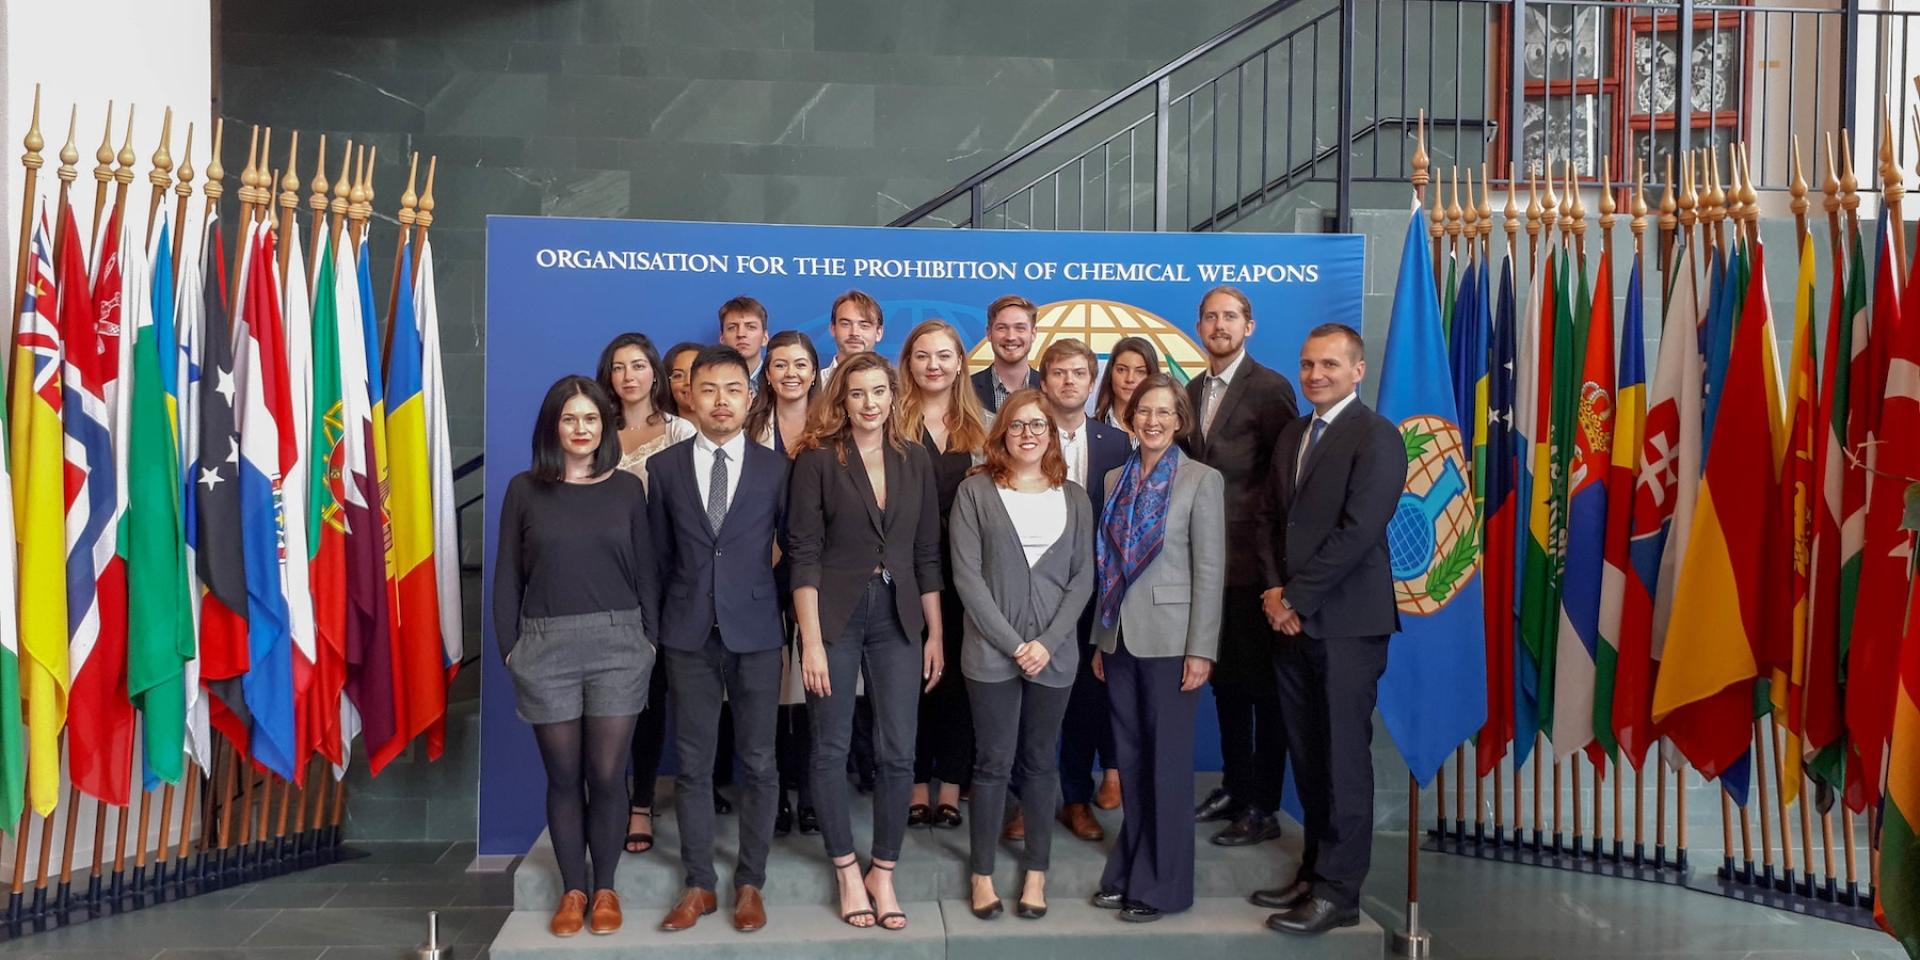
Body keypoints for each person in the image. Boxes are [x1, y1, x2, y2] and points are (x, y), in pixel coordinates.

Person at [493, 375, 659, 937]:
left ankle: (606, 887)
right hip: (544, 646)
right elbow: (505, 579)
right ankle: (573, 890)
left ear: (604, 426)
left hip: (620, 645)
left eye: (590, 419)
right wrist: (511, 651)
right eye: (570, 419)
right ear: (553, 427)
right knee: (564, 776)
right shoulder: (523, 489)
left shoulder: (627, 489)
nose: (581, 429)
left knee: (609, 774)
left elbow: (647, 572)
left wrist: (648, 642)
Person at [1253, 323, 1401, 936]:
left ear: (1357, 371)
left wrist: (1298, 599)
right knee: (1309, 754)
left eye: (1331, 365)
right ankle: (1314, 871)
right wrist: (1271, 591)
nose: (1316, 375)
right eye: (1309, 364)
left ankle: (1340, 893)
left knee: (1343, 759)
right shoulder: (1294, 431)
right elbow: (1267, 519)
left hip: (1345, 624)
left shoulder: (1378, 437)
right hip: (1289, 621)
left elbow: (1359, 530)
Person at [788, 351, 944, 931]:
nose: (870, 403)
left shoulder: (915, 459)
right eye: (858, 393)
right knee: (829, 747)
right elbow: (802, 555)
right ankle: (846, 868)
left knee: (898, 750)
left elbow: (927, 553)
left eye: (879, 391)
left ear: (893, 396)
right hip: (834, 617)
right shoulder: (817, 461)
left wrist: (936, 635)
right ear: (842, 399)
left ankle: (883, 869)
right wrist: (811, 641)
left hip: (900, 618)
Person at [649, 347, 788, 935]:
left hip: (755, 632)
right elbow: (656, 557)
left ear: (750, 397)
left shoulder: (778, 469)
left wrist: (768, 604)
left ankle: (750, 881)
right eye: (709, 389)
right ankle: (699, 883)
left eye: (734, 389)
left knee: (758, 760)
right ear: (690, 395)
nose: (722, 400)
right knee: (694, 764)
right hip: (686, 633)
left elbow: (795, 552)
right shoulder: (665, 467)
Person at [949, 389, 1095, 921]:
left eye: (1039, 426)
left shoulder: (1075, 497)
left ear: (1052, 435)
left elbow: (1084, 578)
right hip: (991, 655)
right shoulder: (976, 492)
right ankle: (982, 874)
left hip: (1054, 656)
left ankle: (1037, 872)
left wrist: (1047, 643)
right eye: (1018, 426)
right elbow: (966, 577)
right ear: (1002, 433)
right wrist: (1013, 644)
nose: (1029, 434)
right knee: (992, 763)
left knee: (1040, 763)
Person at [1090, 374, 1223, 922]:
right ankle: (1129, 868)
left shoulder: (1200, 480)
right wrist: (1101, 638)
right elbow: (1109, 566)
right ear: (1130, 415)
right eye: (1145, 410)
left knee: (1167, 765)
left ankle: (1165, 886)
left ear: (1179, 420)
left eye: (1165, 412)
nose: (1153, 420)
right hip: (1118, 637)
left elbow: (1210, 570)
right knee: (1133, 760)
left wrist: (1202, 649)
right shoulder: (1114, 479)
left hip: (1174, 642)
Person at [1180, 285, 1298, 848]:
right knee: (1226, 685)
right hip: (1206, 569)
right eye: (1210, 317)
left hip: (1255, 569)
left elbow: (1284, 484)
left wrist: (1278, 574)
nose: (1219, 325)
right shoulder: (1192, 388)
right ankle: (1234, 785)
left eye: (1230, 316)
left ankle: (1263, 805)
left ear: (1248, 327)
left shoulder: (1270, 389)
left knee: (1262, 692)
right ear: (1199, 327)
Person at [596, 334, 699, 855]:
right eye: (618, 367)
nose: (629, 376)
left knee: (653, 695)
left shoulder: (680, 430)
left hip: (663, 578)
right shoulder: (593, 430)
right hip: (601, 580)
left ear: (655, 373)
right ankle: (607, 802)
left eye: (638, 365)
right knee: (611, 700)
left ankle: (641, 805)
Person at [1036, 338, 1130, 844]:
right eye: (1058, 372)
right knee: (1026, 702)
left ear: (1092, 383)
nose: (1068, 381)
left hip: (1093, 596)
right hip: (1030, 594)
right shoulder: (1025, 435)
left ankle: (1075, 800)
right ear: (1043, 381)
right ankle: (1023, 802)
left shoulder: (1117, 445)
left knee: (1084, 704)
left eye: (1078, 373)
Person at [897, 319, 989, 831]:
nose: (934, 365)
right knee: (908, 680)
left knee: (958, 682)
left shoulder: (988, 426)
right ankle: (914, 785)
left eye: (944, 356)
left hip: (966, 578)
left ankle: (950, 787)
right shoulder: (888, 423)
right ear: (908, 363)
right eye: (923, 355)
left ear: (960, 363)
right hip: (901, 576)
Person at [745, 331, 822, 837]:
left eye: (800, 364)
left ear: (815, 371)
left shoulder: (833, 424)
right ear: (766, 373)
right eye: (780, 364)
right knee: (768, 690)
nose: (790, 373)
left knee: (818, 687)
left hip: (821, 573)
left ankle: (815, 796)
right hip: (759, 572)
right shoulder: (750, 425)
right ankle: (772, 799)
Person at [970, 294, 1042, 414]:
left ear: (1033, 333)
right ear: (989, 333)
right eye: (1002, 328)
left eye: (1020, 328)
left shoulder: (1049, 389)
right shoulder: (966, 390)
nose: (1011, 337)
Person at [1093, 336, 1160, 437]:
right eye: (1122, 370)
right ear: (1110, 373)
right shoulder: (1089, 430)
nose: (1130, 379)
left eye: (1140, 372)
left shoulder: (1164, 430)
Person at [819, 289, 884, 384]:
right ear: (833, 329)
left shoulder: (894, 385)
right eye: (845, 324)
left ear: (879, 333)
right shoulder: (814, 385)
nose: (854, 333)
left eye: (864, 325)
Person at [718, 295, 770, 386]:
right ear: (722, 339)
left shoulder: (778, 382)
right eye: (732, 328)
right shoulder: (711, 381)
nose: (741, 334)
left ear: (765, 338)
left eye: (751, 327)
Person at [663, 341, 704, 416]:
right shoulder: (659, 427)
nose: (688, 382)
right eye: (678, 376)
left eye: (695, 374)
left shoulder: (728, 426)